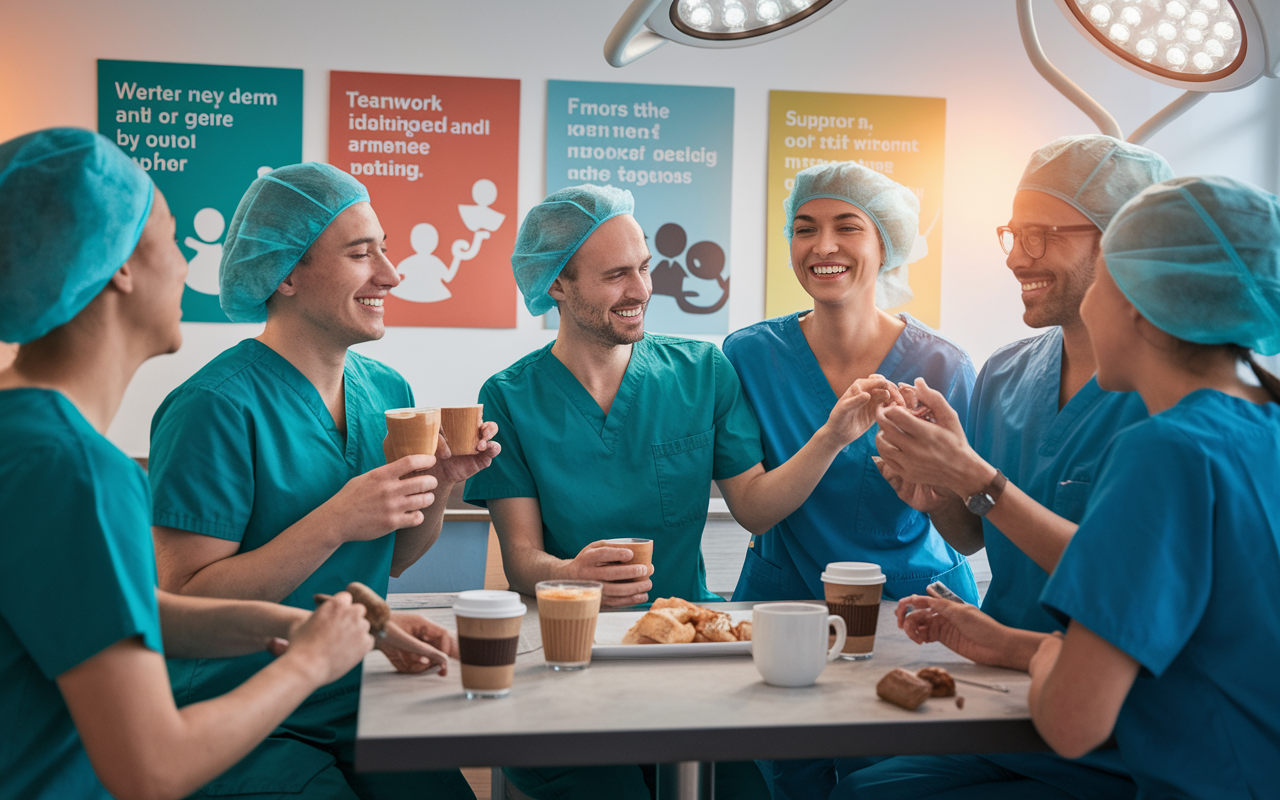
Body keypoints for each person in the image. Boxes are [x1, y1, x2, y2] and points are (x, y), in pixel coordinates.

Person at [464, 184, 900, 800]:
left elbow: (753, 507)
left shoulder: (701, 371)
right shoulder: (509, 397)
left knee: (748, 791)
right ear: (557, 285)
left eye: (644, 267)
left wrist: (830, 438)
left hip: (689, 654)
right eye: (616, 275)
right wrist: (570, 573)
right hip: (572, 660)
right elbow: (522, 560)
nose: (641, 290)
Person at [870, 175, 1280, 798]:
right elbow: (1204, 656)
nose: (1087, 308)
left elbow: (1070, 722)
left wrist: (1034, 655)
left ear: (1143, 302)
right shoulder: (1260, 427)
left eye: (1105, 285)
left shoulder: (1165, 450)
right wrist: (1010, 642)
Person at [0, 128, 375, 800]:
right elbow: (152, 769)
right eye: (171, 240)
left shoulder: (22, 434)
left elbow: (116, 612)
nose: (185, 266)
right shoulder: (76, 468)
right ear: (119, 265)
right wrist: (309, 664)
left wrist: (300, 627)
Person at [147, 163, 498, 799]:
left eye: (386, 250)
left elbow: (393, 558)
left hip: (357, 692)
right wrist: (336, 517)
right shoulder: (213, 407)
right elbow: (186, 595)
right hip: (247, 711)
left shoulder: (389, 394)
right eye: (362, 254)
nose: (391, 274)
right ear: (284, 273)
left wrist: (442, 485)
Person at [842, 135, 1172, 799]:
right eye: (1013, 234)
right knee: (858, 781)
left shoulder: (1166, 400)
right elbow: (975, 535)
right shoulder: (1006, 371)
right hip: (1003, 692)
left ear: (1121, 242)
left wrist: (973, 477)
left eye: (1043, 233)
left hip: (1114, 727)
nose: (1019, 256)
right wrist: (936, 493)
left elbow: (1126, 581)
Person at [724, 162, 979, 800]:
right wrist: (834, 434)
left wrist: (931, 485)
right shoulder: (749, 356)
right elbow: (754, 511)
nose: (823, 246)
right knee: (788, 781)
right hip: (785, 608)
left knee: (887, 783)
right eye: (805, 228)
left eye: (848, 227)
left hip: (913, 610)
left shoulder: (942, 365)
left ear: (885, 243)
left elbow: (968, 532)